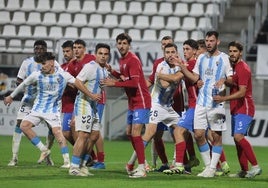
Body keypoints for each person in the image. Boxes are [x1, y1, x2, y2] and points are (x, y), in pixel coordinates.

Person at [3, 52, 94, 170]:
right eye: (41, 64)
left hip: (52, 110)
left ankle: (66, 162)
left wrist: (90, 94)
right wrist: (11, 96)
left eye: (44, 63)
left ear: (51, 63)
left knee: (58, 133)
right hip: (37, 108)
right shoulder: (37, 75)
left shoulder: (63, 75)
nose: (42, 66)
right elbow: (23, 84)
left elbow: (77, 82)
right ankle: (44, 150)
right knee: (24, 126)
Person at [176, 31, 233, 177]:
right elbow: (195, 77)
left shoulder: (224, 58)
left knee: (216, 136)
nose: (208, 43)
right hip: (201, 102)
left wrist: (225, 81)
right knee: (199, 134)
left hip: (216, 102)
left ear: (217, 42)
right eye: (207, 41)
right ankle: (208, 166)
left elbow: (232, 79)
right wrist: (182, 68)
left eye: (211, 41)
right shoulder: (201, 57)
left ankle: (213, 168)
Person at [101, 33, 151, 178]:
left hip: (141, 100)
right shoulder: (123, 60)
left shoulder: (133, 60)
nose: (121, 46)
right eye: (119, 43)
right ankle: (142, 162)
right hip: (132, 103)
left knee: (136, 133)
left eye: (124, 43)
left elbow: (134, 83)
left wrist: (113, 83)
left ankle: (142, 168)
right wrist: (113, 72)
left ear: (129, 45)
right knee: (130, 133)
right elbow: (125, 78)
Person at [213, 41, 262, 178]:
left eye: (235, 51)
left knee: (238, 136)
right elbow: (233, 82)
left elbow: (242, 92)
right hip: (236, 108)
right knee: (237, 140)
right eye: (230, 51)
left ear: (240, 52)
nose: (232, 54)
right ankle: (244, 171)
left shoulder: (243, 68)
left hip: (244, 107)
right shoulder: (234, 67)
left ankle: (256, 167)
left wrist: (223, 98)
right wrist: (223, 80)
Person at [7, 40, 55, 166]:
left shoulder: (51, 62)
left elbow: (58, 76)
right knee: (19, 124)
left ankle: (46, 155)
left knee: (52, 128)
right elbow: (19, 80)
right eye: (36, 48)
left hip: (45, 101)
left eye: (41, 48)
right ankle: (14, 158)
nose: (39, 50)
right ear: (34, 49)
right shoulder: (27, 63)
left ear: (45, 50)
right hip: (29, 100)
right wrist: (26, 85)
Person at [157, 39, 200, 174]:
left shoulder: (191, 64)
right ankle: (191, 161)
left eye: (187, 49)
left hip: (192, 105)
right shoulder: (184, 64)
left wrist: (158, 75)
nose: (185, 51)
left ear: (194, 51)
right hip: (188, 105)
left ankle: (180, 164)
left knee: (180, 132)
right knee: (201, 135)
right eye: (184, 49)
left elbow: (176, 78)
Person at [69, 43, 110, 176]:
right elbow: (77, 82)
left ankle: (82, 164)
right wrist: (91, 95)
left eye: (105, 54)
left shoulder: (104, 70)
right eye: (100, 53)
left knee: (94, 135)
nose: (103, 56)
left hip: (93, 106)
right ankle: (74, 167)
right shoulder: (90, 67)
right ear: (95, 54)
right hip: (84, 103)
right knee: (83, 135)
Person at [61, 40, 76, 147]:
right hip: (65, 104)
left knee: (67, 133)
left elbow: (78, 86)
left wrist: (65, 83)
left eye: (68, 51)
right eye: (64, 51)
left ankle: (86, 156)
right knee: (67, 133)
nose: (65, 54)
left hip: (74, 103)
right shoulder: (62, 67)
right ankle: (87, 157)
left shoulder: (77, 66)